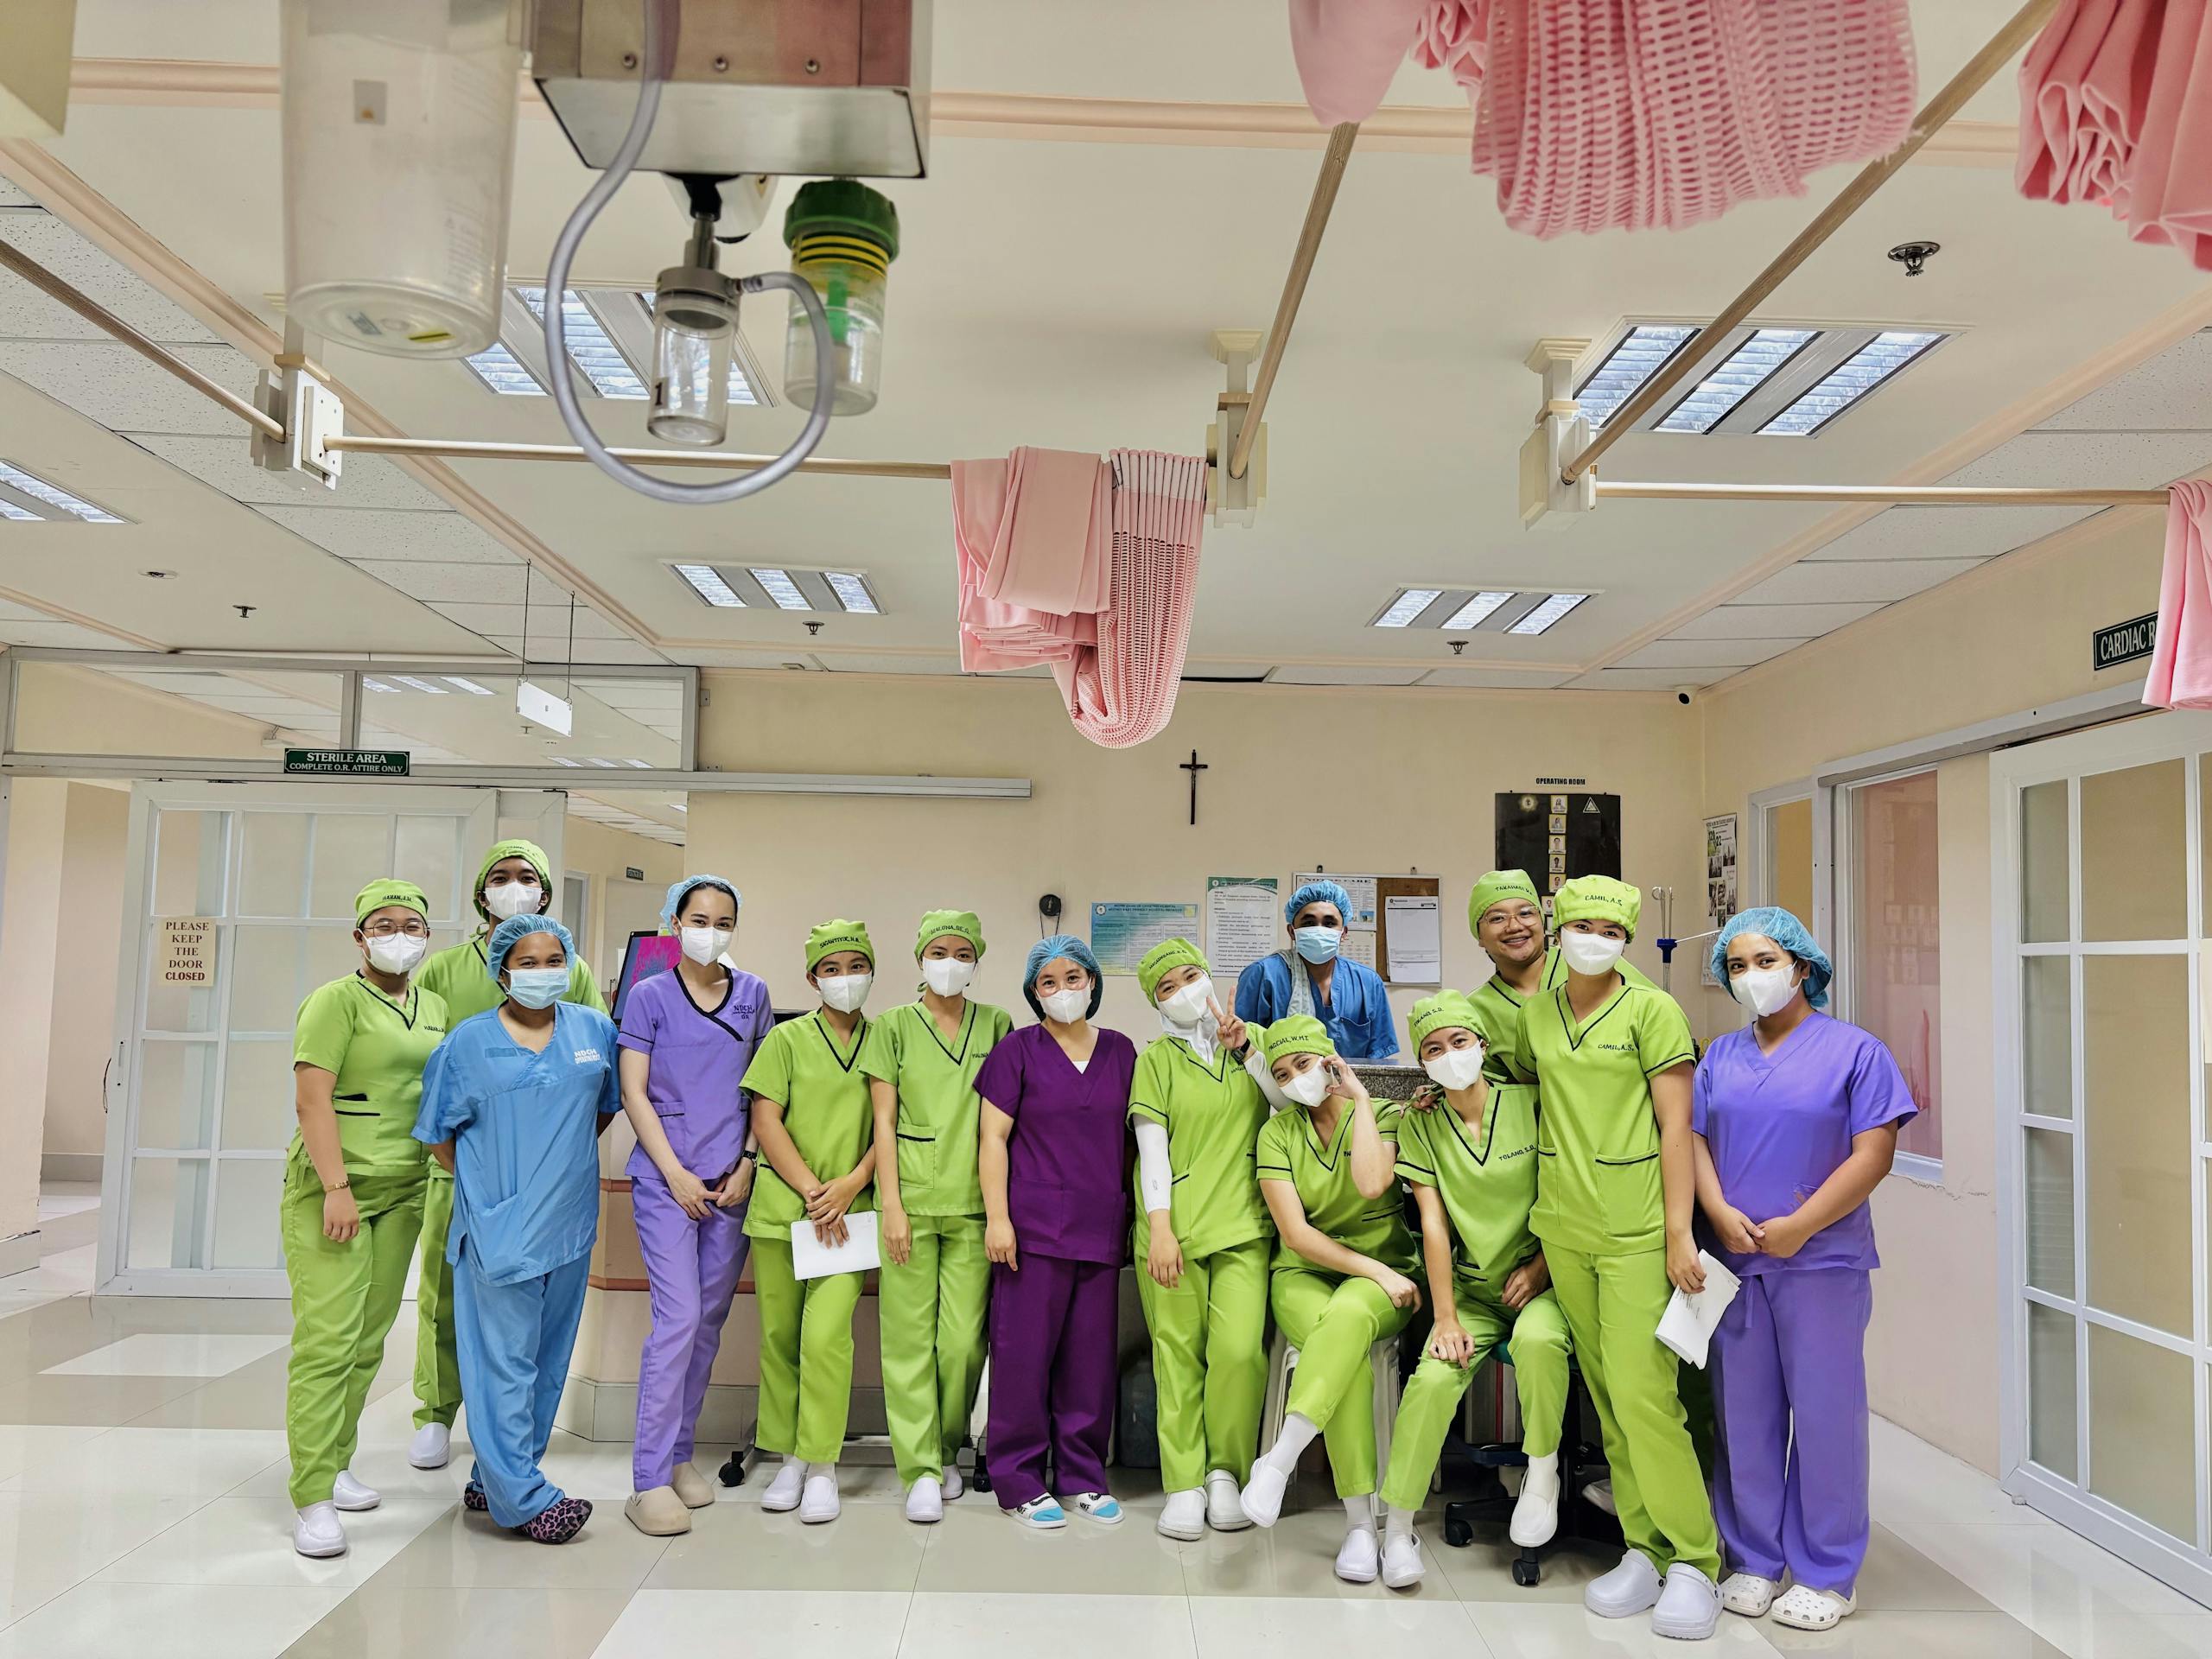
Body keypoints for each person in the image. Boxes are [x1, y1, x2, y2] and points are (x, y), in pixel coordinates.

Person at [1694, 907, 1915, 1632]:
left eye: (1764, 961)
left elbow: (1872, 1154)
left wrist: (1801, 1226)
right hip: (1736, 1260)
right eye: (1736, 965)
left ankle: (1827, 1571)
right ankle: (1753, 1559)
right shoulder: (1720, 1058)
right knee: (1743, 1416)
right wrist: (1719, 1211)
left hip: (1822, 1262)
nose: (1751, 976)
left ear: (1802, 965)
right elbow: (1692, 1141)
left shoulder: (1856, 1052)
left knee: (1825, 1417)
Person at [1524, 874, 1720, 1640]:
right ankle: (1643, 1546)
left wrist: (1679, 1232)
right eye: (1582, 923)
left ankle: (1696, 1561)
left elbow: (1679, 1127)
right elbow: (1527, 1090)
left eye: (1611, 928)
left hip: (1638, 1228)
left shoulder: (1652, 1009)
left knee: (1647, 1398)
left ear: (1627, 938)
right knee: (1606, 1395)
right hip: (1565, 1225)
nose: (1593, 937)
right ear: (1559, 927)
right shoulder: (1539, 1014)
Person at [412, 916, 618, 1545]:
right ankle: (524, 1500)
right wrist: (497, 1189)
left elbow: (600, 1112)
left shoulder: (593, 1031)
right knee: (504, 1364)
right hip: (502, 1228)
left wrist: (555, 1174)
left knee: (548, 1362)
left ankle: (499, 1472)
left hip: (571, 1222)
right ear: (501, 969)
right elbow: (439, 1138)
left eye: (554, 959)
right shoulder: (467, 1045)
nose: (543, 971)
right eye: (528, 962)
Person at [1376, 991, 1572, 1590]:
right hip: (1473, 1291)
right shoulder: (1421, 1122)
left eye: (1459, 1042)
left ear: (1483, 1046)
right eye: (1433, 1049)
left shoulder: (1534, 1104)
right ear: (1422, 1062)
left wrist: (1541, 1268)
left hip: (1546, 1280)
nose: (1449, 1056)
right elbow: (1432, 1224)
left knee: (1540, 1345)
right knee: (1433, 1378)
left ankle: (1541, 1476)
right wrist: (1445, 1317)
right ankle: (1397, 1527)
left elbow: (1567, 1192)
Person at [282, 879, 449, 1560]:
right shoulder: (334, 1002)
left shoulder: (434, 1005)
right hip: (334, 1190)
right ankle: (312, 1496)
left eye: (411, 925)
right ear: (359, 936)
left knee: (368, 1340)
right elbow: (311, 1103)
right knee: (327, 1339)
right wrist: (336, 1187)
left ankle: (338, 1461)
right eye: (383, 924)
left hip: (406, 1187)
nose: (398, 935)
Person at [1239, 1016, 1418, 1585]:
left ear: (1330, 1061)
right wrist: (1370, 1269)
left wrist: (1362, 1098)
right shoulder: (1277, 1134)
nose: (1296, 1080)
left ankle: (1283, 1461)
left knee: (1346, 1321)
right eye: (1283, 1073)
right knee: (1343, 1340)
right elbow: (1297, 1235)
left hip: (1388, 1276)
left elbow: (1370, 1184)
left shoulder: (1386, 1116)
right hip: (1306, 1272)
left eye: (1306, 1065)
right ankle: (1362, 1526)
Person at [619, 876, 772, 1537]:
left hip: (731, 1181)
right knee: (677, 1319)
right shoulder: (649, 996)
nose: (712, 929)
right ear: (675, 922)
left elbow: (765, 1093)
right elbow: (634, 1094)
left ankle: (681, 1456)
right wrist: (675, 1172)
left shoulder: (755, 995)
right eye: (700, 918)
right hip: (667, 1181)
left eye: (724, 920)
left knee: (707, 1322)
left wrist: (747, 1164)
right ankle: (648, 1477)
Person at [976, 935, 1137, 1529]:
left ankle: (1081, 1476)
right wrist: (999, 1218)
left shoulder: (1121, 1052)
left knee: (1088, 1358)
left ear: (1093, 984)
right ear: (1032, 992)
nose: (1063, 991)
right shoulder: (1016, 1051)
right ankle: (1017, 1478)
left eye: (1074, 978)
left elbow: (1133, 1140)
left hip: (1099, 1227)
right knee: (1023, 1356)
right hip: (1032, 1229)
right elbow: (992, 1139)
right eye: (1049, 982)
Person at [861, 910, 1014, 1525]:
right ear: (920, 957)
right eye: (938, 951)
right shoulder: (894, 1027)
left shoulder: (997, 1024)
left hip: (975, 1207)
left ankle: (948, 1445)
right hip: (911, 1205)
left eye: (961, 952)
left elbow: (1000, 1124)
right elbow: (883, 1122)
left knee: (960, 1343)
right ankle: (920, 1468)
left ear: (975, 961)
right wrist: (890, 1204)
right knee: (905, 1343)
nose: (949, 963)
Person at [1128, 938, 1273, 1541]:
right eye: (1168, 986)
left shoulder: (1255, 1042)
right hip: (1174, 1231)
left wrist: (1249, 1054)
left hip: (1242, 1224)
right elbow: (1150, 1149)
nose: (1184, 991)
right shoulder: (1155, 1060)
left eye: (1192, 976)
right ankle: (1184, 1482)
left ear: (1212, 980)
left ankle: (1224, 1474)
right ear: (1157, 1003)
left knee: (1239, 1354)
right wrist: (1161, 1228)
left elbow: (1291, 1103)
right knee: (1177, 1356)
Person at [741, 919, 879, 1525]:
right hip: (784, 1209)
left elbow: (891, 1128)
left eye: (855, 966)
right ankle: (788, 1457)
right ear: (812, 978)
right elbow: (767, 1120)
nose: (844, 979)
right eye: (831, 969)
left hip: (849, 1214)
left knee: (826, 1339)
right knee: (780, 1339)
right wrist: (810, 1188)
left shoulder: (886, 1041)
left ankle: (821, 1463)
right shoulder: (786, 1040)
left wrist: (849, 1187)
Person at [1463, 868, 1655, 1085]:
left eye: (1526, 913)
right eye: (1497, 918)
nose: (1514, 926)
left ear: (1542, 921)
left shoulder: (1594, 962)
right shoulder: (1475, 1010)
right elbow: (1483, 1087)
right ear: (1479, 935)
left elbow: (1661, 1031)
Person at [1234, 880, 1399, 1062]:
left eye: (1329, 923)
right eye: (1309, 923)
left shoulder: (1367, 982)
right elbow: (1243, 1048)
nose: (1319, 930)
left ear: (1343, 932)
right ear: (1292, 931)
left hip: (1348, 1087)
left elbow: (1377, 1058)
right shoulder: (1263, 975)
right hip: (1276, 1087)